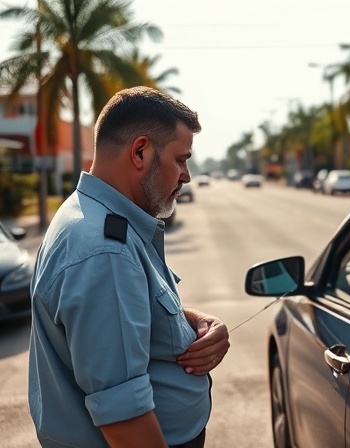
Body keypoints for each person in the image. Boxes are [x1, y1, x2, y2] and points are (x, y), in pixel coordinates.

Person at [28, 86, 230, 448]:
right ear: (140, 152)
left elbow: (131, 306)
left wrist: (194, 321)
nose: (185, 176)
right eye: (180, 160)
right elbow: (124, 418)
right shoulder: (105, 250)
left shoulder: (93, 216)